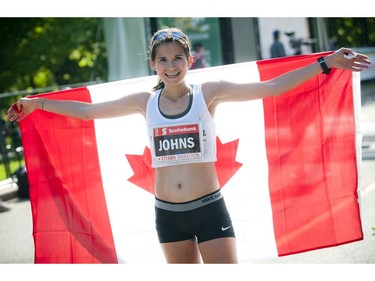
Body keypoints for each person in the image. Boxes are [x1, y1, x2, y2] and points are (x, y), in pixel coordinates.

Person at [6, 27, 371, 264]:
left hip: (210, 210)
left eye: (177, 57)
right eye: (162, 60)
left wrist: (326, 63)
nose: (170, 65)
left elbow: (271, 88)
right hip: (167, 215)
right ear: (153, 64)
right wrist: (37, 104)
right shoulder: (142, 102)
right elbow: (87, 111)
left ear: (189, 60)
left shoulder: (208, 93)